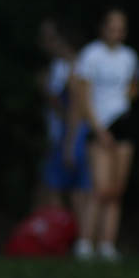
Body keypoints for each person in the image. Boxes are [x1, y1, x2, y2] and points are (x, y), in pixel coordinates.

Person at [71, 9, 139, 261]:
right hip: (100, 123)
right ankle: (85, 241)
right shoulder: (91, 54)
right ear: (102, 28)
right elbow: (82, 95)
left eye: (120, 28)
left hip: (122, 121)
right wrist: (97, 128)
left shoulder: (129, 56)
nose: (116, 32)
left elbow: (135, 84)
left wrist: (125, 99)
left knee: (115, 189)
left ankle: (107, 244)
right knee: (98, 187)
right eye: (112, 27)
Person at [36, 19, 91, 226]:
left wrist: (69, 142)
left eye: (52, 39)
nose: (46, 44)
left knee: (69, 190)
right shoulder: (59, 66)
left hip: (71, 135)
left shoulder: (75, 68)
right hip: (63, 135)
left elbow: (74, 110)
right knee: (60, 188)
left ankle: (70, 235)